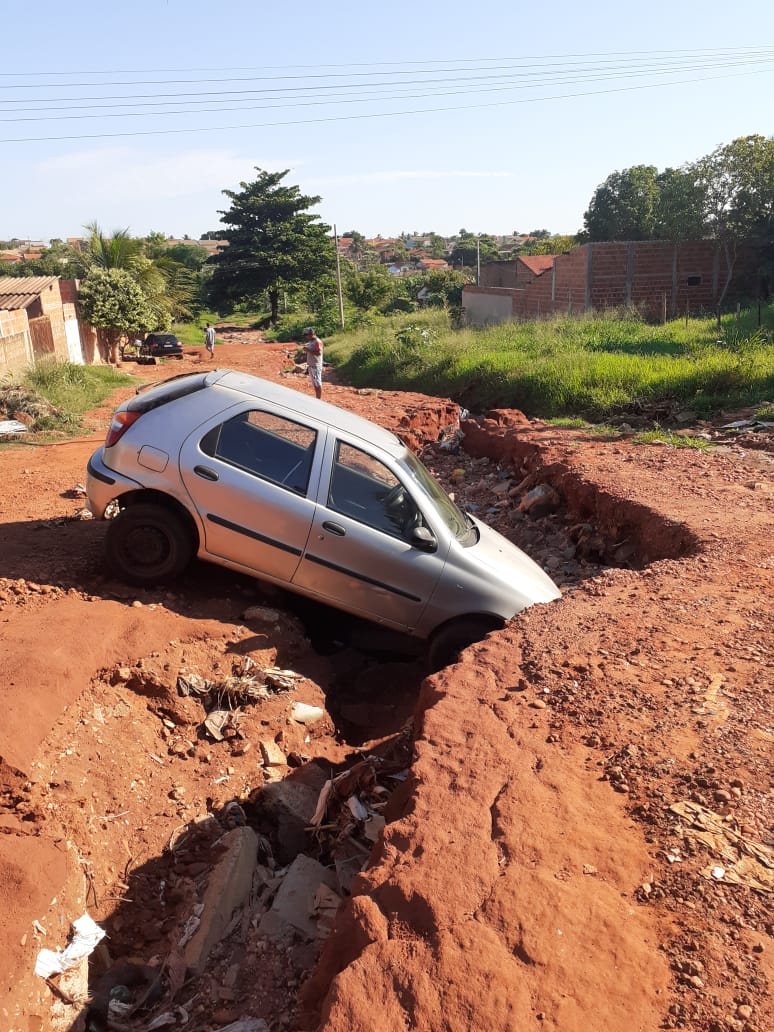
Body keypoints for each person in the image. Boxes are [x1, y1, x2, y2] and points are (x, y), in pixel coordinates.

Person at [303, 326, 323, 399]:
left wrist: (308, 350)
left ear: (311, 334)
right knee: (314, 383)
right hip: (311, 365)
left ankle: (319, 399)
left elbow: (319, 353)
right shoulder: (311, 341)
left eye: (306, 335)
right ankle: (317, 398)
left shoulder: (317, 341)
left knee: (317, 382)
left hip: (316, 365)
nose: (306, 337)